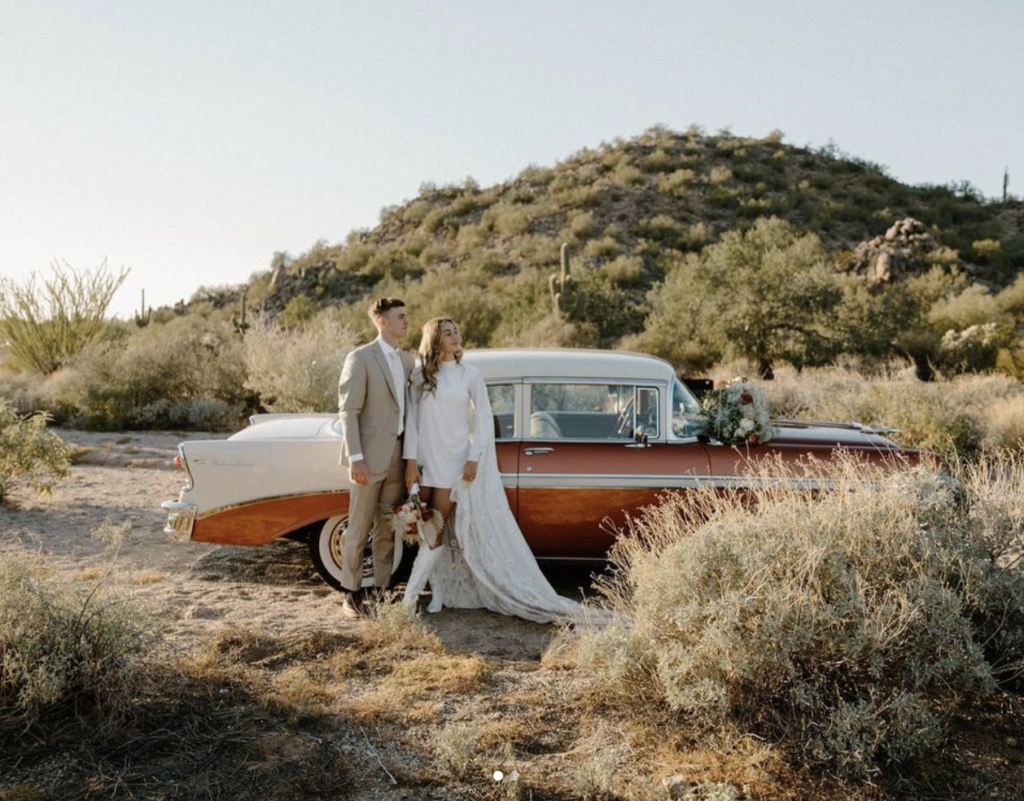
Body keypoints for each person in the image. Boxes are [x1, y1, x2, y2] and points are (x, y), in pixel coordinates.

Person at [401, 317, 593, 624]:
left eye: (457, 331)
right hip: (425, 461)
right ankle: (438, 593)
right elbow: (411, 422)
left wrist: (474, 457)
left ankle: (408, 601)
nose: (455, 336)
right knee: (426, 531)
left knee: (434, 531)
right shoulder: (419, 376)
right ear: (435, 339)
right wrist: (410, 461)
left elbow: (484, 419)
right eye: (448, 333)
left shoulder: (470, 375)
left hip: (454, 462)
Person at [337, 297, 414, 619]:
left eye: (407, 316)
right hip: (367, 457)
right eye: (400, 316)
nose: (406, 321)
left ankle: (382, 589)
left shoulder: (409, 361)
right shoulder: (361, 357)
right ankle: (350, 593)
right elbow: (348, 411)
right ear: (381, 321)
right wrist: (356, 457)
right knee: (358, 528)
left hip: (399, 455)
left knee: (387, 527)